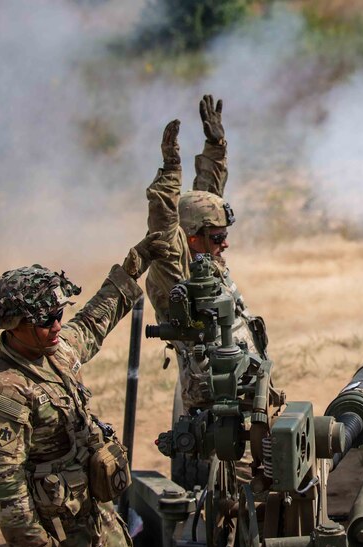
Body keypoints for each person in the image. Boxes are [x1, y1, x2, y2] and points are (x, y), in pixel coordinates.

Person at [0, 233, 170, 547]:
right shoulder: (2, 394)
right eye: (46, 319)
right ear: (13, 324)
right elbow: (8, 494)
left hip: (97, 520)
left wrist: (133, 268)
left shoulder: (55, 353)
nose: (57, 326)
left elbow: (92, 324)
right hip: (63, 536)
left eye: (59, 315)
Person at [145, 95, 268, 488]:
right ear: (191, 239)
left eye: (225, 236)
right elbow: (167, 223)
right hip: (218, 407)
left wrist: (216, 147)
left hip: (244, 392)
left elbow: (205, 198)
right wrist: (170, 170)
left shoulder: (204, 255)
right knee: (238, 493)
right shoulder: (174, 273)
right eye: (217, 238)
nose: (225, 244)